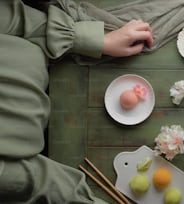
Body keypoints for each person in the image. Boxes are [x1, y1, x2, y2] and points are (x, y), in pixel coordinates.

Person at [0, 0, 153, 203]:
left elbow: (11, 20)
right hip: (48, 144)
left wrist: (92, 39)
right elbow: (37, 182)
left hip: (53, 50)